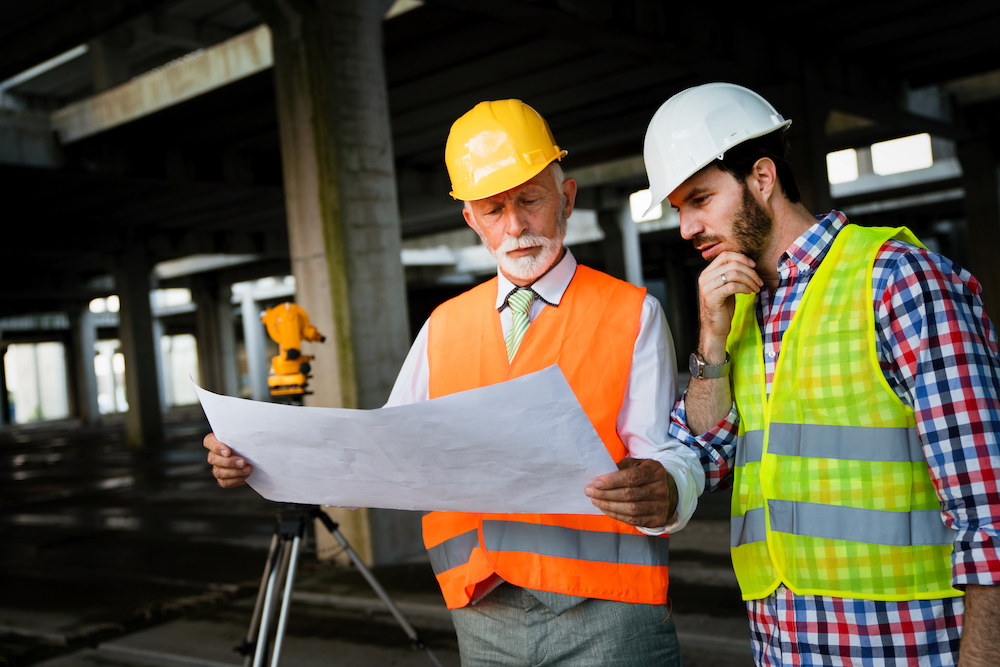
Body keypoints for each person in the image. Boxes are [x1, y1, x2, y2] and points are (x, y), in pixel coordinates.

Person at [205, 98, 705, 665]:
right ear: (471, 220)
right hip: (481, 615)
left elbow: (670, 457)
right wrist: (256, 456)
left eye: (530, 201)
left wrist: (668, 486)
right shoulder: (443, 327)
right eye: (492, 210)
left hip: (609, 615)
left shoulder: (630, 312)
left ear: (565, 200)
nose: (514, 225)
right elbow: (377, 455)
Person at [642, 82, 1000, 666]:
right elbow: (706, 454)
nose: (685, 228)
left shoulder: (896, 280)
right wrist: (710, 339)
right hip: (785, 645)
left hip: (903, 645)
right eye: (678, 208)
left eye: (700, 199)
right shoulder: (739, 313)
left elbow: (990, 506)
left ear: (762, 178)